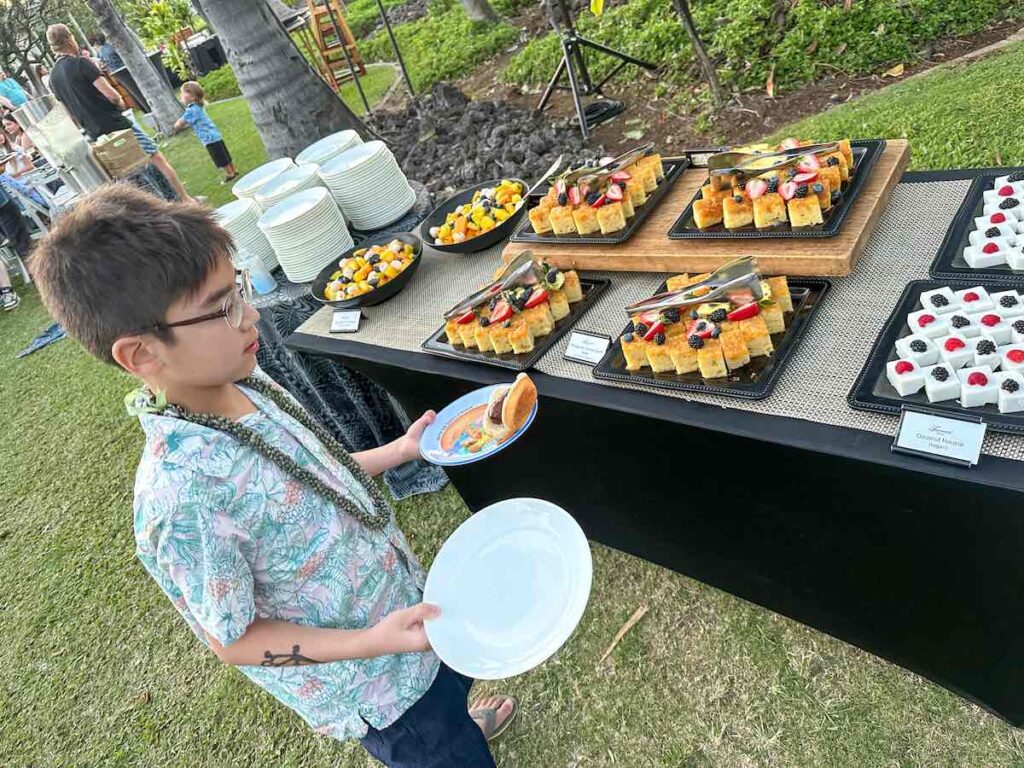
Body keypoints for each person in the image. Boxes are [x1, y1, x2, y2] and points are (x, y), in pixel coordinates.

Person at [31, 184, 518, 767]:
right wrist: (373, 642)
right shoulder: (182, 496)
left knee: (448, 703)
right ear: (141, 356)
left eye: (238, 290)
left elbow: (306, 480)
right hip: (378, 687)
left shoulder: (243, 378)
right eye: (223, 306)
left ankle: (459, 727)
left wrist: (398, 451)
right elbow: (235, 640)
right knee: (434, 744)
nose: (252, 313)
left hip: (404, 614)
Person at [45, 24, 191, 201]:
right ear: (69, 39)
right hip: (118, 125)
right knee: (156, 159)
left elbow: (69, 115)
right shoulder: (81, 64)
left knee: (131, 178)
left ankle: (162, 209)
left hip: (97, 136)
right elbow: (112, 96)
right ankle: (185, 201)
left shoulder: (53, 78)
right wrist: (121, 103)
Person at [174, 82, 237, 183]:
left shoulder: (191, 110)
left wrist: (176, 125)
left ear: (192, 96)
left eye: (183, 93)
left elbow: (182, 122)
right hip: (215, 135)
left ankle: (230, 174)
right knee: (224, 154)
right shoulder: (198, 105)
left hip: (208, 138)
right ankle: (234, 170)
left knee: (219, 158)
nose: (181, 95)